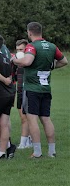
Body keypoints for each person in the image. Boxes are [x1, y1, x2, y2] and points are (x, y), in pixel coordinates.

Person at [12, 22, 68, 158]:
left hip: (32, 88)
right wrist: (51, 66)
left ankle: (37, 152)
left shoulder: (32, 46)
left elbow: (27, 62)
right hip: (46, 88)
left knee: (32, 119)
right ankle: (52, 151)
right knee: (46, 119)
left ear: (29, 32)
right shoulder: (52, 46)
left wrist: (15, 60)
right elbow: (64, 61)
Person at [13, 39, 32, 149]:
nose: (19, 51)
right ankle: (28, 139)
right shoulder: (17, 61)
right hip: (19, 91)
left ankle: (23, 142)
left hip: (28, 90)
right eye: (18, 50)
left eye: (22, 49)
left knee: (27, 118)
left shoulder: (30, 60)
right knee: (22, 117)